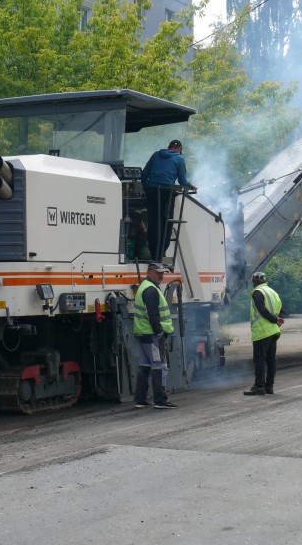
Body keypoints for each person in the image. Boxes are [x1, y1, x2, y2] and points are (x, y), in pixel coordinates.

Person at [141, 139, 197, 261]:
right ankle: (160, 254)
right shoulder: (179, 159)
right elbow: (182, 181)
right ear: (180, 149)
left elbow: (144, 174)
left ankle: (153, 251)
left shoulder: (156, 155)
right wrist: (191, 186)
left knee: (153, 223)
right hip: (166, 193)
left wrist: (146, 188)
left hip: (151, 191)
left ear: (168, 147)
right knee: (166, 223)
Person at [133, 262, 177, 409]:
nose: (161, 275)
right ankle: (160, 400)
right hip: (152, 335)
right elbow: (153, 314)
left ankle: (140, 399)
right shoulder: (151, 290)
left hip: (144, 334)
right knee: (160, 366)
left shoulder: (145, 287)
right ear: (149, 272)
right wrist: (159, 332)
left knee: (145, 366)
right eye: (158, 272)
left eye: (162, 273)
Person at [244, 271, 284, 396]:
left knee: (259, 359)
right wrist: (279, 319)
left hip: (262, 332)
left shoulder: (257, 292)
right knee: (271, 359)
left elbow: (261, 309)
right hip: (273, 331)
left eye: (253, 281)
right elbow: (282, 309)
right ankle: (269, 386)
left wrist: (274, 319)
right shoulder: (272, 292)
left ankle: (259, 387)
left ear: (255, 282)